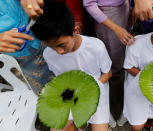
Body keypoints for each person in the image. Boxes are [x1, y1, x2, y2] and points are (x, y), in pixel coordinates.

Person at [31, 1, 112, 131]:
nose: (59, 52)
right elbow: (59, 79)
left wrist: (89, 91)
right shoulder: (48, 54)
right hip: (68, 94)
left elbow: (108, 73)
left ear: (74, 30)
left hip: (96, 90)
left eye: (62, 45)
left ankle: (83, 123)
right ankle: (78, 124)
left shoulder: (96, 46)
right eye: (51, 46)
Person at [83, 0, 135, 76]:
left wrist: (135, 5)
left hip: (125, 6)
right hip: (108, 15)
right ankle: (113, 71)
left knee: (123, 40)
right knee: (112, 47)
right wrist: (115, 28)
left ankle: (121, 63)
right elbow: (89, 4)